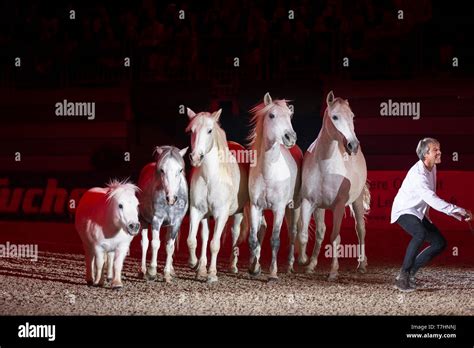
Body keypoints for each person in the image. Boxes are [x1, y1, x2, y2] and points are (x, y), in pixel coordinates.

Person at [391, 137, 472, 292]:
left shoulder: (432, 166)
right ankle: (403, 276)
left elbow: (429, 199)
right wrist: (459, 210)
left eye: (439, 149)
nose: (440, 152)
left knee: (439, 243)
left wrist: (455, 213)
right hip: (404, 210)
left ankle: (410, 273)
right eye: (435, 150)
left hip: (418, 213)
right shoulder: (418, 175)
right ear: (425, 154)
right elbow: (432, 199)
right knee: (420, 233)